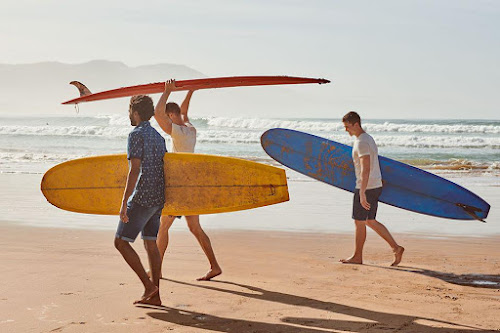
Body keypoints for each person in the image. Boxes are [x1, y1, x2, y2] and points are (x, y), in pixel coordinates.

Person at [154, 79, 222, 281]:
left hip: (180, 188)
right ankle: (214, 266)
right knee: (195, 228)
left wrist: (167, 92)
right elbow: (184, 113)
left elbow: (157, 114)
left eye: (169, 117)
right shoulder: (191, 129)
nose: (167, 121)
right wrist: (190, 91)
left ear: (171, 115)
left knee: (162, 227)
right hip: (191, 188)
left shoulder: (178, 132)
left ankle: (156, 270)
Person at [114, 95, 166, 306]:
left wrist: (125, 202)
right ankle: (156, 297)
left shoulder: (136, 135)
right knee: (150, 243)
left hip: (142, 197)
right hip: (158, 198)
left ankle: (148, 286)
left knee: (120, 242)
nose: (129, 116)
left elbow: (135, 170)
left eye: (130, 112)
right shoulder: (159, 137)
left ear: (135, 113)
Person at [340, 111, 404, 266]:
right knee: (370, 220)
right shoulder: (369, 138)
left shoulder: (361, 142)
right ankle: (396, 248)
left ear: (356, 124)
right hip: (375, 185)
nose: (346, 130)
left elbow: (366, 167)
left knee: (360, 222)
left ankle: (357, 257)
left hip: (366, 187)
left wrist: (362, 192)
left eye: (348, 127)